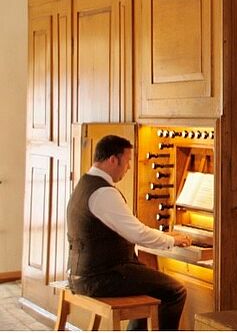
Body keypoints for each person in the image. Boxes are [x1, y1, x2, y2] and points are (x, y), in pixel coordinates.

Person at [66, 135, 191, 330]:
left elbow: (132, 228)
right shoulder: (104, 193)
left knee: (150, 290)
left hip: (84, 274)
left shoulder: (86, 183)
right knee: (175, 290)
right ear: (113, 160)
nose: (130, 167)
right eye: (128, 160)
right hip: (100, 277)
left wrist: (168, 237)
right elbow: (137, 233)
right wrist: (171, 241)